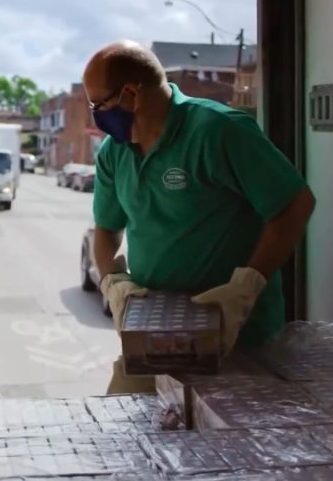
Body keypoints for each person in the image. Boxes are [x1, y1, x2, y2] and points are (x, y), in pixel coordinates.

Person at [84, 40, 316, 394]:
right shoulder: (114, 152)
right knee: (125, 432)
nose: (97, 116)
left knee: (230, 442)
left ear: (131, 93)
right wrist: (113, 283)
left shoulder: (218, 131)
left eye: (99, 104)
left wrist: (245, 287)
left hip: (238, 340)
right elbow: (106, 230)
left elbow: (294, 204)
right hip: (153, 342)